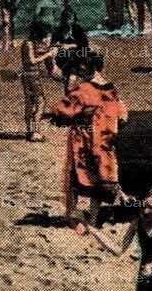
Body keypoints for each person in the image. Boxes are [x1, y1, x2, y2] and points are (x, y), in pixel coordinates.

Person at [47, 52, 125, 226]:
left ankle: (73, 215)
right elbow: (122, 115)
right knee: (98, 182)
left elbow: (59, 110)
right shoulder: (111, 90)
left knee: (75, 177)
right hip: (104, 142)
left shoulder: (84, 91)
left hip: (84, 140)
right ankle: (93, 218)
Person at [19, 21, 58, 142]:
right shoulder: (29, 44)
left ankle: (30, 131)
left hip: (29, 76)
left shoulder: (29, 43)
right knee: (40, 102)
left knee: (30, 104)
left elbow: (37, 53)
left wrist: (50, 51)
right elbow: (32, 61)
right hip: (31, 76)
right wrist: (48, 54)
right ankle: (34, 131)